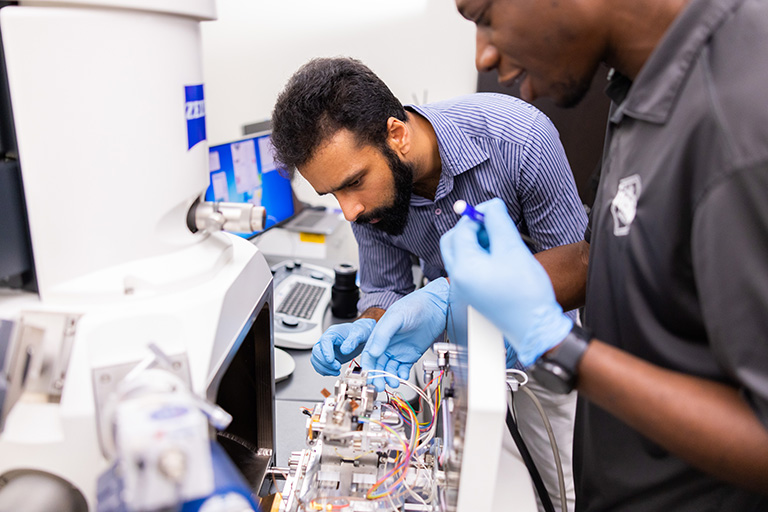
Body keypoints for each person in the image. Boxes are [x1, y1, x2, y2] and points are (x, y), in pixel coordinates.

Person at [440, 0, 768, 510]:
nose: (483, 55)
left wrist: (560, 345)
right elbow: (606, 255)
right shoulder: (639, 84)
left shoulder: (743, 115)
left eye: (484, 15)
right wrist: (451, 300)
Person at [270, 56, 588, 511]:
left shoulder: (518, 137)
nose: (349, 211)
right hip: (453, 364)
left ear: (396, 134)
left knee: (563, 491)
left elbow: (579, 264)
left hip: (542, 348)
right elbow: (384, 290)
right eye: (333, 195)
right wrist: (371, 326)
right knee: (481, 491)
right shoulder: (369, 200)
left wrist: (464, 301)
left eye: (353, 184)